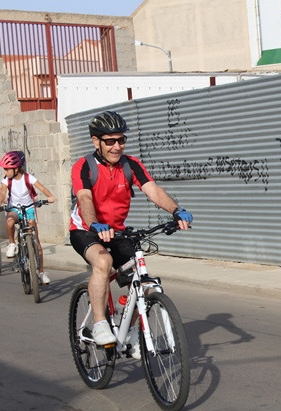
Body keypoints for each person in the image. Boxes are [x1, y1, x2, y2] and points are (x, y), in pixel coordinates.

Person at [70, 110, 193, 346]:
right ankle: (99, 324)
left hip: (117, 231)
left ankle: (131, 330)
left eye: (121, 140)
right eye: (110, 141)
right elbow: (85, 198)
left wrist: (176, 210)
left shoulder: (131, 165)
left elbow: (153, 190)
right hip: (86, 230)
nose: (117, 147)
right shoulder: (83, 166)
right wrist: (94, 223)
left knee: (143, 283)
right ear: (96, 141)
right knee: (103, 262)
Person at [0, 151, 56, 285]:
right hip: (14, 208)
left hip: (28, 208)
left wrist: (50, 196)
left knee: (35, 239)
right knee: (10, 221)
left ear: (16, 168)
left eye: (7, 169)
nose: (5, 171)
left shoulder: (28, 178)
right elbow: (2, 193)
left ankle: (41, 273)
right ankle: (12, 244)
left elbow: (42, 187)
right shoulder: (6, 180)